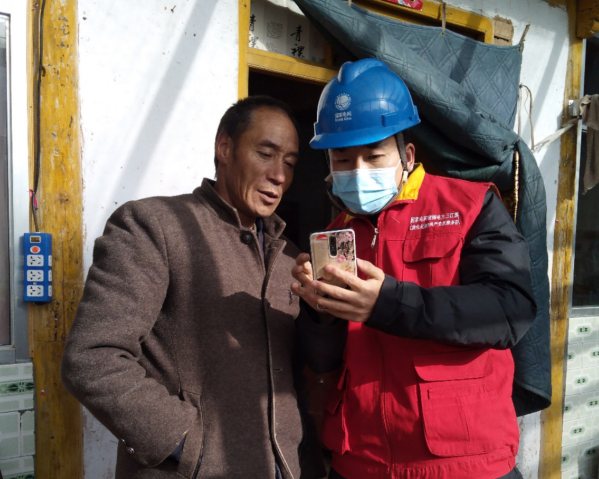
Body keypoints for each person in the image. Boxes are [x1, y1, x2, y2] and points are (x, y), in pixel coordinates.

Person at [291, 58, 537, 479]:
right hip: (361, 459)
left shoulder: (469, 206)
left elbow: (510, 309)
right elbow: (324, 360)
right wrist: (319, 314)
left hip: (461, 461)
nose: (358, 172)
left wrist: (386, 303)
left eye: (373, 156)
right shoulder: (334, 236)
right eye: (343, 160)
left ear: (406, 155)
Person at [62, 95, 323, 479]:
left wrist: (324, 315)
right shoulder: (154, 226)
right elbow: (93, 357)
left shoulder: (291, 258)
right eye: (265, 154)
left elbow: (304, 373)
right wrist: (188, 444)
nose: (279, 175)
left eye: (289, 163)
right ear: (225, 148)